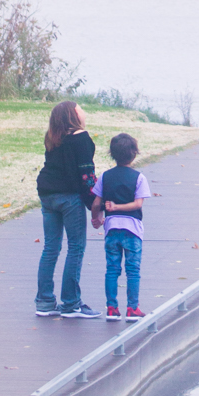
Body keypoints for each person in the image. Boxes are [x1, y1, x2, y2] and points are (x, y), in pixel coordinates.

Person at [34, 100, 99, 319]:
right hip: (69, 196)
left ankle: (44, 302)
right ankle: (71, 303)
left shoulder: (52, 137)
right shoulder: (81, 138)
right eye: (80, 109)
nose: (84, 111)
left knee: (51, 247)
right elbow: (87, 175)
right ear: (73, 115)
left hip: (47, 194)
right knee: (76, 247)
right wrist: (95, 206)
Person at [97, 130, 149, 319]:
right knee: (133, 270)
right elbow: (138, 204)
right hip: (132, 230)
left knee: (112, 269)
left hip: (111, 228)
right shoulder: (139, 178)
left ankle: (112, 308)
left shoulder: (104, 177)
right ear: (134, 154)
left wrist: (96, 217)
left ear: (112, 154)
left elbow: (96, 202)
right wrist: (119, 206)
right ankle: (132, 308)